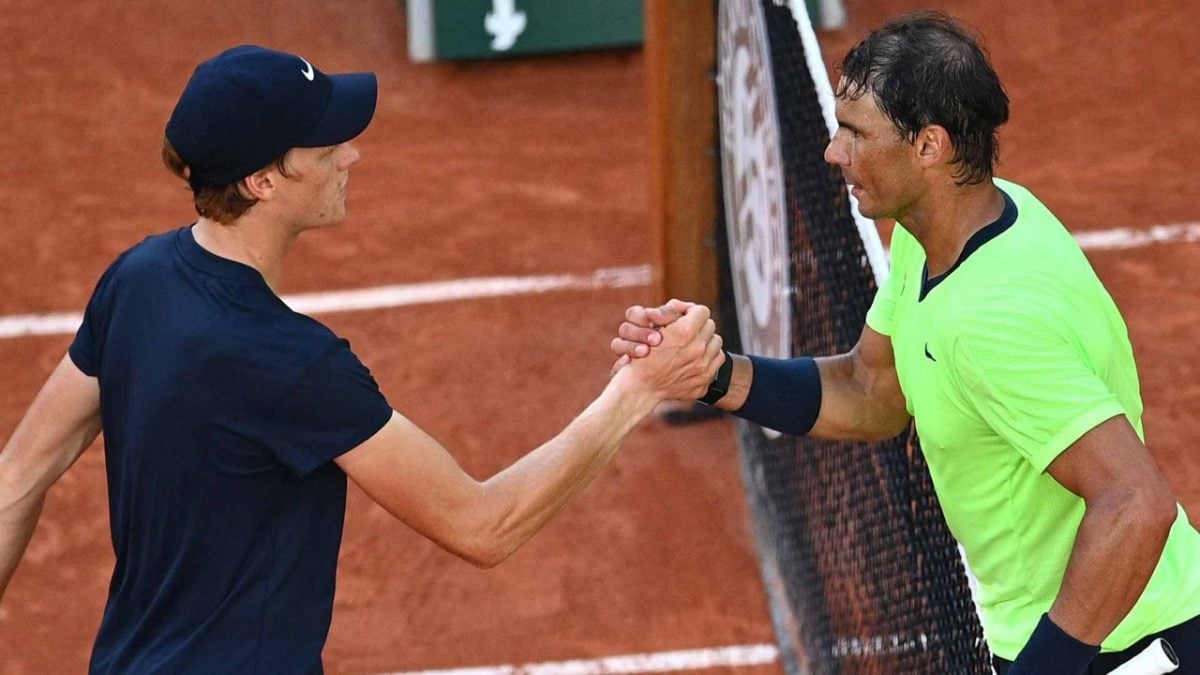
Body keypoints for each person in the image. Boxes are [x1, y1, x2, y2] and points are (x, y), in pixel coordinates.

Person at [0, 45, 724, 673]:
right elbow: (483, 523)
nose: (352, 153)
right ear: (262, 181)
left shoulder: (137, 279)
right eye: (324, 147)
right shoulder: (292, 362)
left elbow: (17, 475)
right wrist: (636, 390)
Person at [612, 12, 1200, 675]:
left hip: (1128, 646)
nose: (834, 153)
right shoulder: (953, 229)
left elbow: (1136, 503)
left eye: (855, 134)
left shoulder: (990, 317)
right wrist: (715, 374)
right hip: (1069, 631)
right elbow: (872, 390)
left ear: (929, 146)